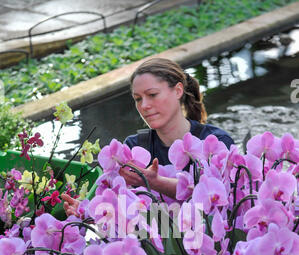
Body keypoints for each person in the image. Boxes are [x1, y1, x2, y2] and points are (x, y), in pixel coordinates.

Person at [62, 57, 234, 215]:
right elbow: (120, 209)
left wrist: (154, 182)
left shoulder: (215, 142)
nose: (144, 106)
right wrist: (88, 211)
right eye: (138, 99)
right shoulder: (135, 147)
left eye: (152, 95)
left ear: (178, 91)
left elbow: (223, 199)